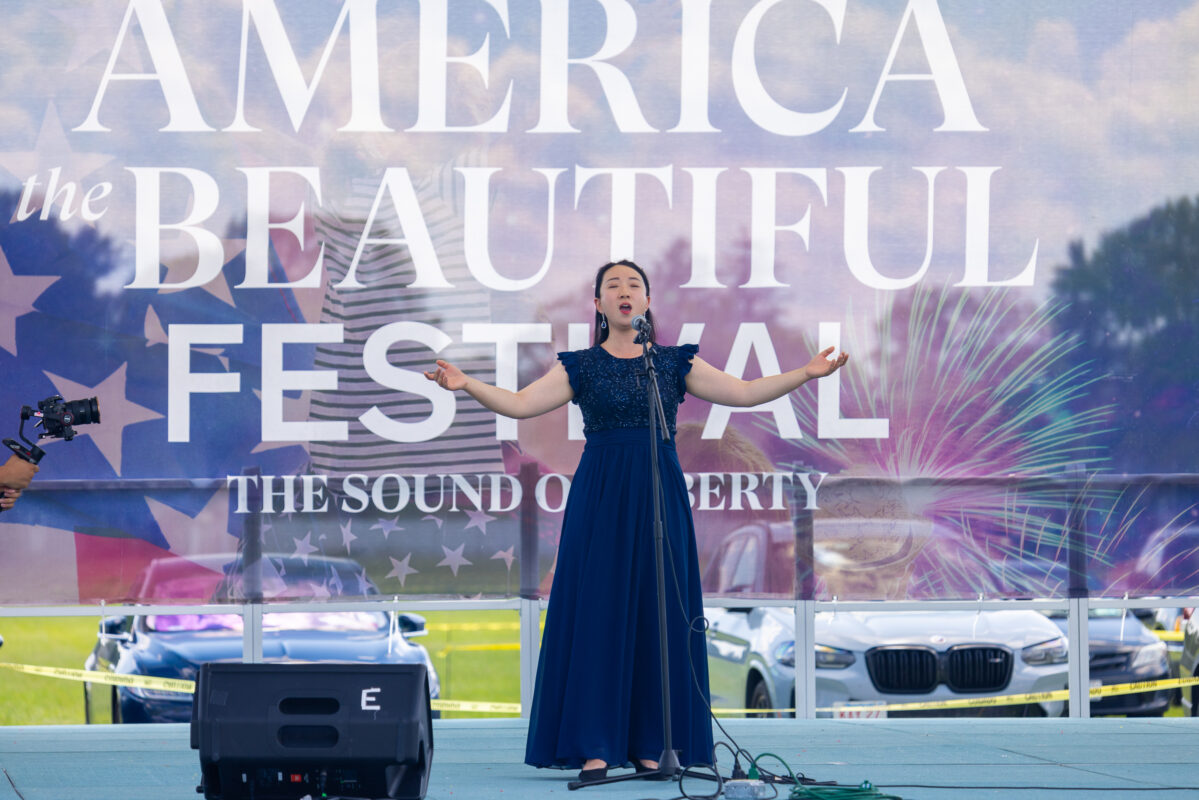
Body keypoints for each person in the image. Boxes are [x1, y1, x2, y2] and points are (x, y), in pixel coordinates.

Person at [424, 260, 848, 782]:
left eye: (634, 286)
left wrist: (806, 373)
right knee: (598, 612)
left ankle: (656, 742)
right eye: (612, 286)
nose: (624, 293)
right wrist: (466, 383)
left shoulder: (670, 363)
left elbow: (742, 392)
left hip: (657, 493)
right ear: (598, 305)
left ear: (647, 302)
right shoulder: (580, 365)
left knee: (659, 611)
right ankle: (593, 744)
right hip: (601, 493)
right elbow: (519, 404)